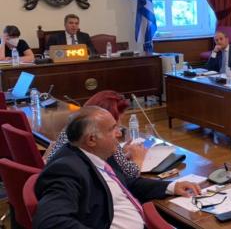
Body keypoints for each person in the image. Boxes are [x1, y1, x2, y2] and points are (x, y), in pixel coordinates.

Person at [33, 106, 201, 229]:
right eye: (112, 129)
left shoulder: (98, 154)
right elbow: (50, 222)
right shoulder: (66, 170)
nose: (119, 133)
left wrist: (171, 187)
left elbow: (128, 183)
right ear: (91, 139)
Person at [45, 90, 144, 179]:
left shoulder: (73, 125)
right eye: (117, 123)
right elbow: (131, 174)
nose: (119, 130)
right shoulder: (100, 131)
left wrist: (120, 154)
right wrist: (138, 158)